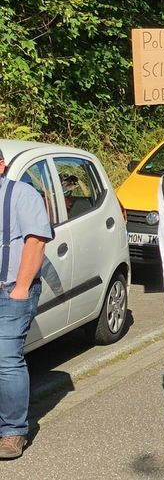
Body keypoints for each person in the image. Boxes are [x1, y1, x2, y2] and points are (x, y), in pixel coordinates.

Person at [0, 148, 53, 460]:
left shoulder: (22, 194)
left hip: (11, 290)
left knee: (5, 357)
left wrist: (20, 288)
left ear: (2, 165)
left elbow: (36, 241)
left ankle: (12, 432)